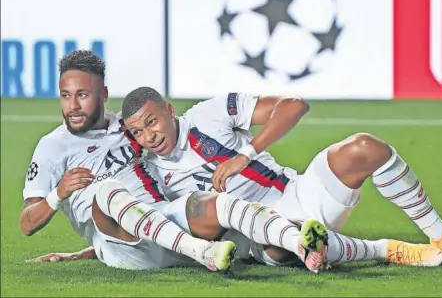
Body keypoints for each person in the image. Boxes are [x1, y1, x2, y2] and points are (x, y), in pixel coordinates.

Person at [20, 50, 330, 273]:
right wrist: (57, 193)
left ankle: (332, 246)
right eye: (65, 95)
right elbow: (27, 223)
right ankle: (203, 252)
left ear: (103, 95)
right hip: (123, 243)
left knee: (218, 203)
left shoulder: (131, 128)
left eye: (82, 95)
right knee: (107, 191)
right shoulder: (52, 148)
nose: (72, 106)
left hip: (168, 224)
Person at [120, 86, 442, 267]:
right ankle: (386, 249)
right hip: (259, 237)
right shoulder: (149, 172)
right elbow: (154, 225)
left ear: (169, 110)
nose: (149, 136)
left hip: (298, 192)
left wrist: (244, 155)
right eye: (138, 132)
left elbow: (293, 106)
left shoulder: (208, 115)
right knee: (289, 244)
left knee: (365, 149)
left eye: (152, 122)